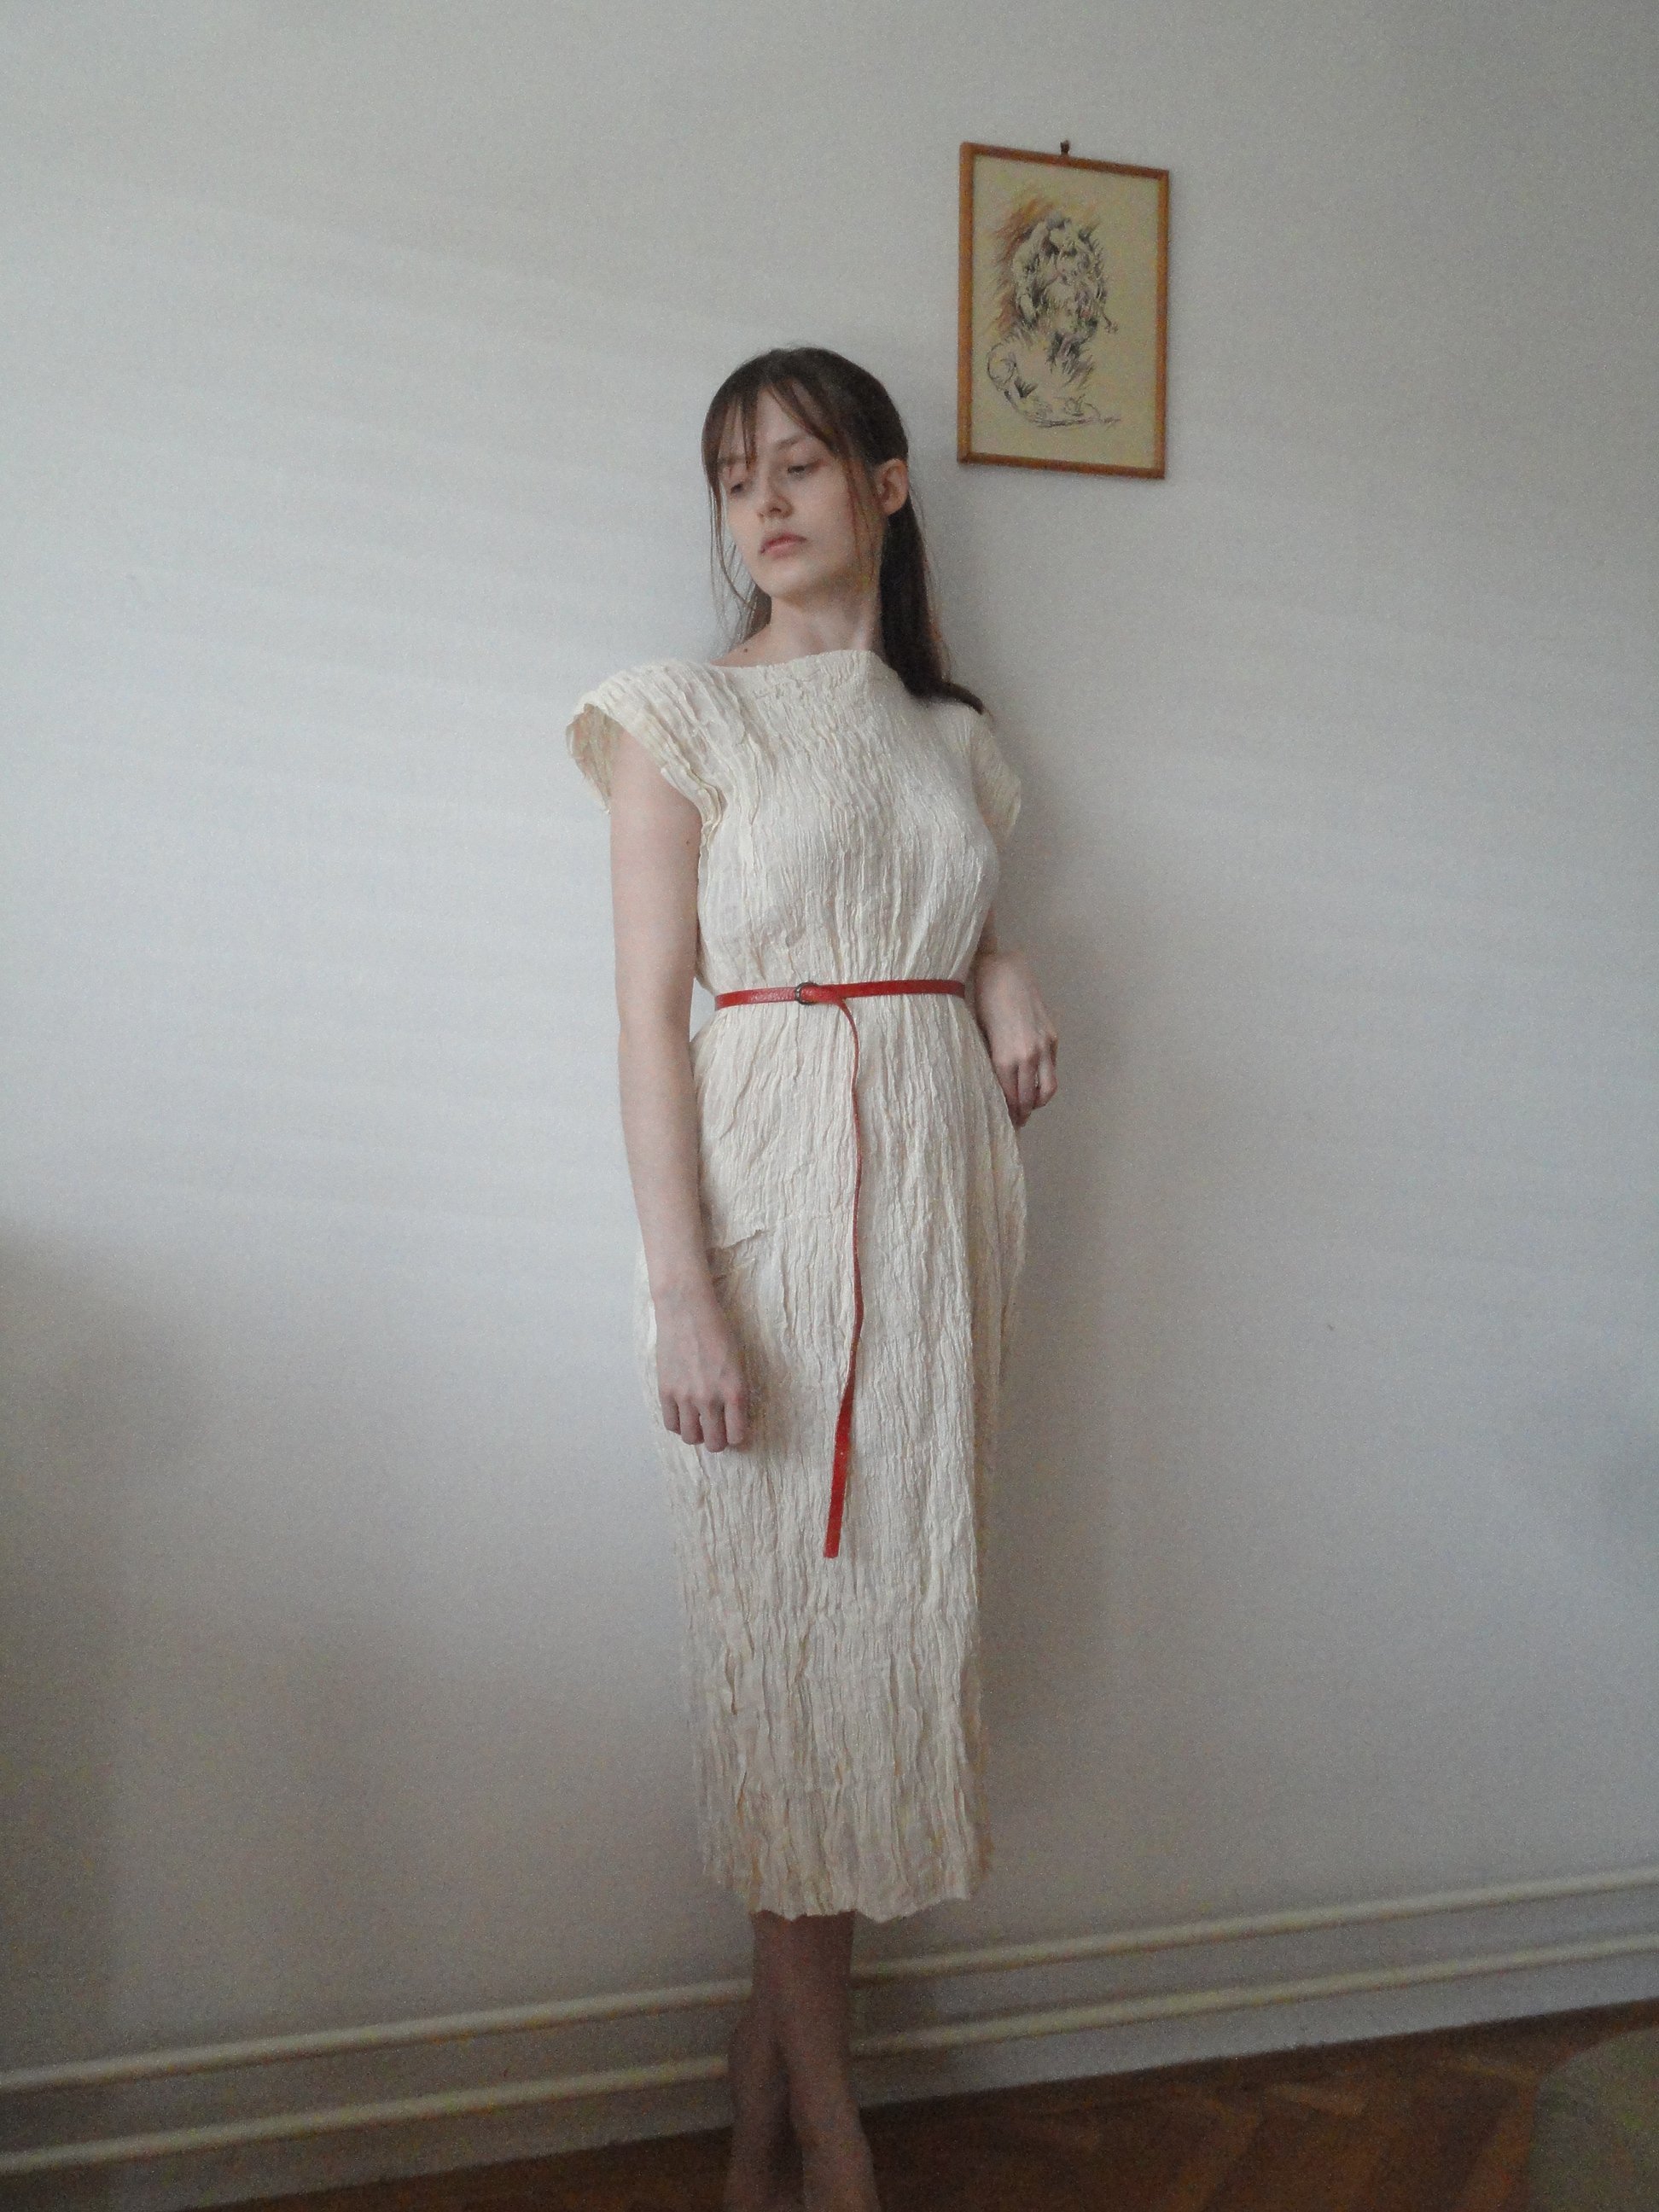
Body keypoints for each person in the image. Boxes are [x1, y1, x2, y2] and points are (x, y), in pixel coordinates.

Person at [565, 346, 1058, 2212]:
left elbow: (938, 885)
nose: (762, 504)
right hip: (768, 1215)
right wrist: (683, 1292)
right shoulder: (675, 715)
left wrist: (1000, 964)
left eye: (799, 464)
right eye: (733, 477)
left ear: (886, 486)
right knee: (785, 1658)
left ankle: (762, 2086)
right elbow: (648, 1021)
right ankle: (833, 2134)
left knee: (881, 1651)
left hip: (935, 1221)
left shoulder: (953, 734)